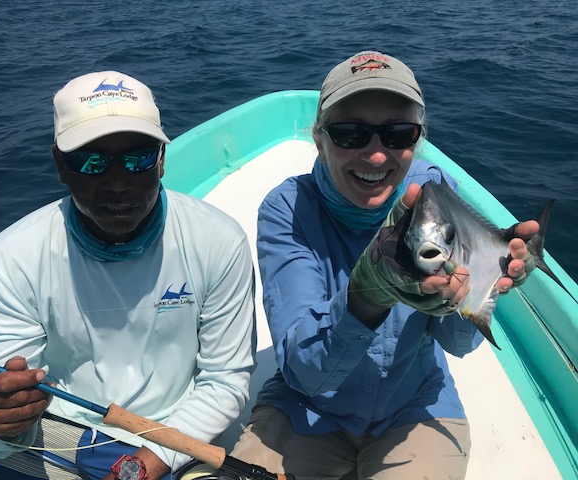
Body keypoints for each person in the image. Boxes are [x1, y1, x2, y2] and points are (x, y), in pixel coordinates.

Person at [226, 51, 538, 480]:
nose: (376, 157)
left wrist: (481, 289)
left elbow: (459, 343)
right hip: (306, 409)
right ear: (318, 140)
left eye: (398, 134)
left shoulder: (435, 192)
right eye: (350, 134)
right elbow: (306, 374)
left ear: (417, 139)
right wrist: (365, 296)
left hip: (413, 406)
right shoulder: (288, 209)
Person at [0, 71, 256, 480]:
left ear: (161, 161)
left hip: (174, 435)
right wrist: (4, 420)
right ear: (61, 165)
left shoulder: (218, 241)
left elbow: (224, 379)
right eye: (90, 161)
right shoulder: (13, 255)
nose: (118, 183)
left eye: (138, 158)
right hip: (57, 429)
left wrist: (142, 466)